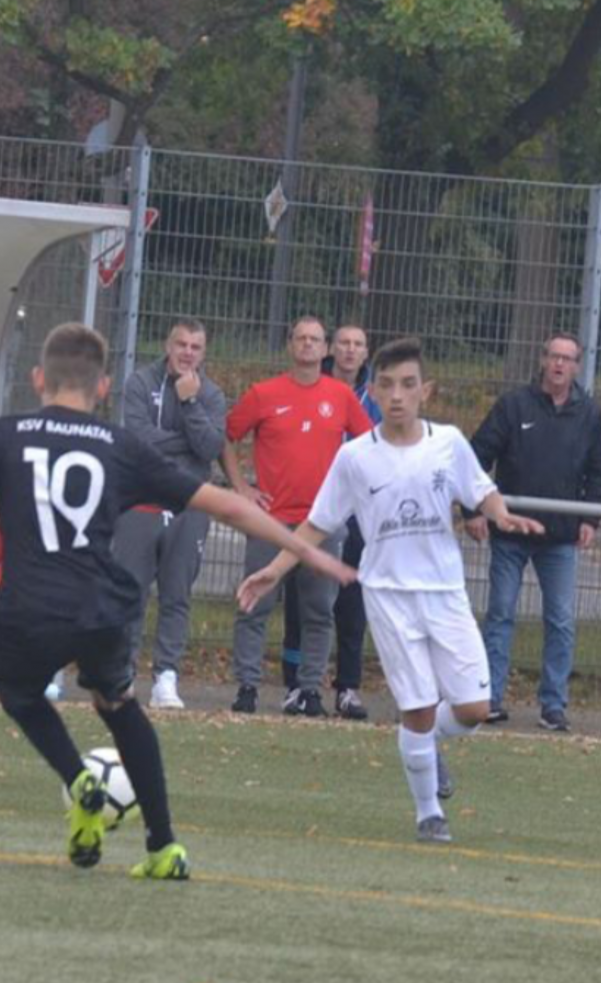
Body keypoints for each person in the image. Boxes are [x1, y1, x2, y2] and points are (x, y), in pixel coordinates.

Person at [0, 323, 356, 878]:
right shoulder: (119, 447)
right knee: (120, 707)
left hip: (30, 607)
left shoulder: (9, 436)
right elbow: (229, 505)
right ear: (103, 388)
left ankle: (78, 778)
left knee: (18, 691)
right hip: (102, 608)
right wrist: (307, 551)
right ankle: (164, 848)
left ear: (39, 379)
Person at [237, 337, 543, 843]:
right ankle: (428, 814)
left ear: (426, 390)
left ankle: (426, 743)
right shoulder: (356, 457)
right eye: (387, 385)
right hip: (388, 595)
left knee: (473, 710)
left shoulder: (448, 442)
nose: (397, 395)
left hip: (445, 593)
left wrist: (500, 513)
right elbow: (317, 524)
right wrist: (275, 568)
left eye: (407, 384)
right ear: (374, 392)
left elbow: (481, 490)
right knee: (417, 709)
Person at [222, 315, 372, 717]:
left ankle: (309, 691)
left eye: (315, 339)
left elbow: (370, 446)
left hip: (322, 525)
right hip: (269, 521)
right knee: (254, 604)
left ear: (325, 349)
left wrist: (353, 495)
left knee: (319, 611)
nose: (307, 344)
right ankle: (248, 687)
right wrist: (240, 487)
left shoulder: (341, 396)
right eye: (301, 338)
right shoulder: (263, 393)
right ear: (290, 345)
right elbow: (226, 436)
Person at [464, 332, 601, 731]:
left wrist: (590, 520)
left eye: (567, 358)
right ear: (543, 360)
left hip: (559, 538)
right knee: (500, 614)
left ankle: (553, 706)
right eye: (554, 356)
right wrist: (473, 509)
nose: (559, 364)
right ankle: (490, 698)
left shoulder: (589, 415)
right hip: (509, 532)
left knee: (560, 620)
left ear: (577, 366)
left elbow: (599, 470)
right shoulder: (513, 406)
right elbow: (475, 458)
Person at [113, 318, 226, 710]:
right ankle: (123, 674)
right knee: (131, 592)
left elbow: (210, 447)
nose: (187, 353)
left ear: (203, 352)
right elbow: (138, 440)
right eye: (181, 344)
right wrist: (186, 442)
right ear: (168, 345)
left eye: (196, 347)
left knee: (177, 595)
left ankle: (166, 677)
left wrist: (190, 403)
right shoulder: (140, 383)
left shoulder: (211, 394)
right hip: (140, 503)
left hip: (189, 506)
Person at [282, 323, 381, 720]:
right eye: (343, 343)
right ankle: (296, 683)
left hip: (357, 514)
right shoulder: (310, 386)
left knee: (351, 599)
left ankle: (347, 687)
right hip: (314, 511)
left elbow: (383, 446)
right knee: (302, 599)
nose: (350, 350)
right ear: (330, 349)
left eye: (358, 344)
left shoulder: (377, 395)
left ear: (366, 351)